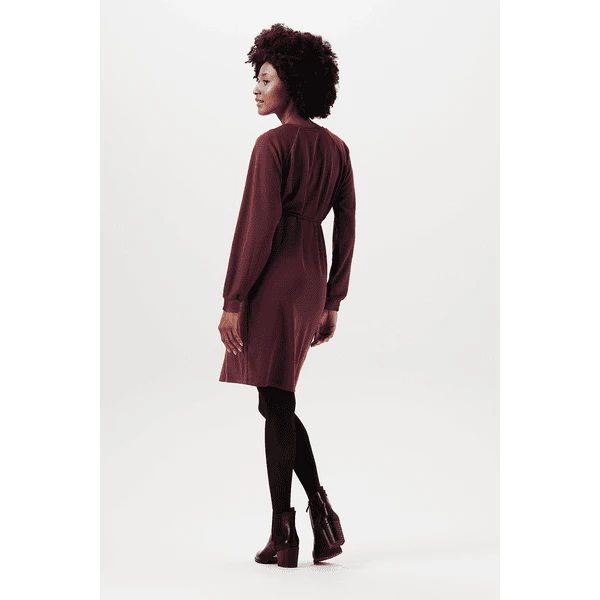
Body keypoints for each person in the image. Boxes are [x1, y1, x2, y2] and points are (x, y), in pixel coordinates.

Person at [217, 23, 356, 568]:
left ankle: (288, 530)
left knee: (277, 401)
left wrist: (233, 300)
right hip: (311, 274)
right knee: (276, 399)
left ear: (292, 84)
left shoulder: (272, 145)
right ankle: (315, 517)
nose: (256, 88)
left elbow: (256, 227)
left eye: (265, 78)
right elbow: (346, 227)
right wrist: (332, 298)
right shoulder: (337, 149)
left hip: (274, 274)